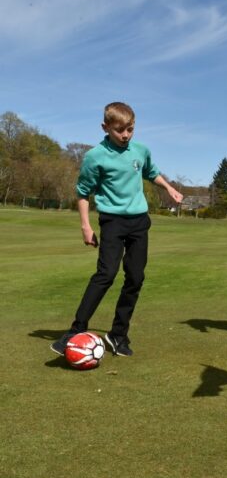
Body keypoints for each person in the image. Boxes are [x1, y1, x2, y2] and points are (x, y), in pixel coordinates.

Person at [50, 102, 183, 357]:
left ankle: (118, 335)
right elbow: (82, 193)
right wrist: (85, 226)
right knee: (106, 274)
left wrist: (168, 188)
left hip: (139, 222)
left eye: (130, 129)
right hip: (112, 222)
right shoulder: (95, 156)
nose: (125, 135)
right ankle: (75, 330)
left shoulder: (141, 150)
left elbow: (151, 172)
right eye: (119, 130)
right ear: (105, 127)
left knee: (135, 278)